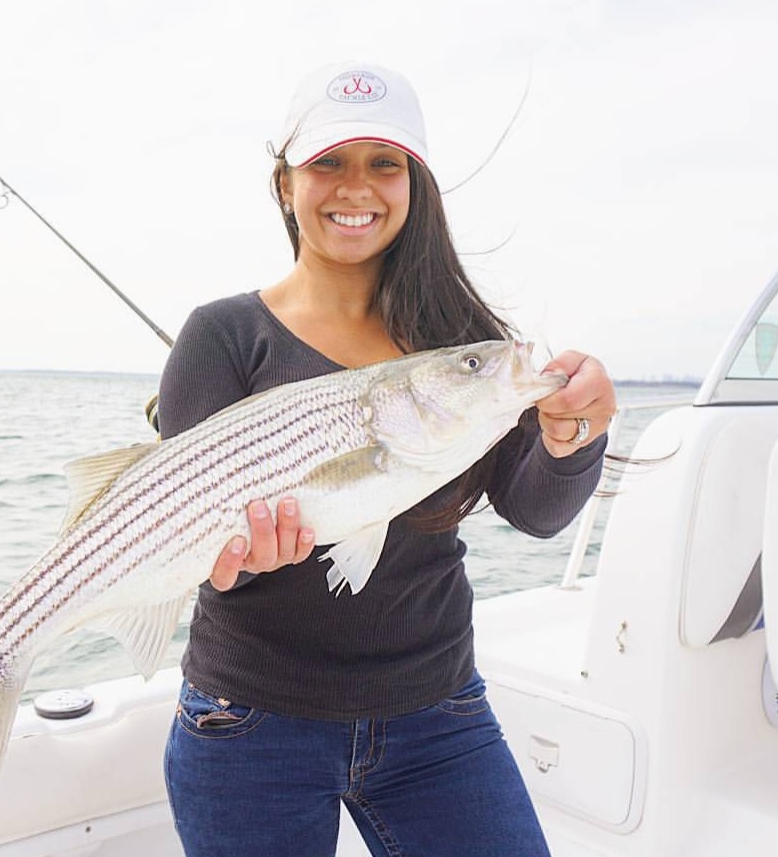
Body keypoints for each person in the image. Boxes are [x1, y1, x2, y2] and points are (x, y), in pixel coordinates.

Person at [157, 60, 616, 857]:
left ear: (416, 184)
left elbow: (538, 511)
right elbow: (194, 544)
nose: (355, 188)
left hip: (438, 715)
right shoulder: (222, 335)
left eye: (385, 163)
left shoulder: (461, 334)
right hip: (249, 717)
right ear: (284, 184)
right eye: (327, 162)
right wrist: (240, 558)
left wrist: (571, 433)